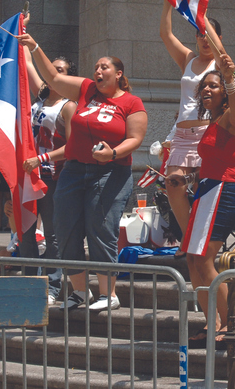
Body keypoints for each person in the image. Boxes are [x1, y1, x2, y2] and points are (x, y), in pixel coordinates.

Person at [17, 32, 147, 311]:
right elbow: (52, 78)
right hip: (74, 171)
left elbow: (135, 139)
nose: (98, 71)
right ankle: (78, 292)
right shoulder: (86, 90)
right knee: (65, 229)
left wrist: (112, 153)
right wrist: (35, 46)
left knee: (100, 230)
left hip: (110, 173)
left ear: (118, 74)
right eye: (96, 67)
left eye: (104, 67)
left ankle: (108, 294)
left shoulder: (131, 103)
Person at [167, 32, 235, 349]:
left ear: (226, 94)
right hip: (206, 190)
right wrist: (185, 181)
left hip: (224, 192)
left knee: (204, 260)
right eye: (203, 86)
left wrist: (230, 80)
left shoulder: (233, 119)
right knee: (191, 260)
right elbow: (209, 164)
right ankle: (211, 322)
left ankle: (229, 327)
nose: (205, 90)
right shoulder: (213, 123)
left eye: (212, 86)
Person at [160, 0, 222, 257]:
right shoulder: (188, 59)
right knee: (173, 184)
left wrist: (200, 11)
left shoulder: (219, 63)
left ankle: (201, 243)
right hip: (183, 136)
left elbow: (221, 51)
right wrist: (167, 3)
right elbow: (166, 35)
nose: (203, 39)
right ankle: (188, 240)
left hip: (207, 131)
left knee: (201, 189)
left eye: (208, 34)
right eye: (199, 35)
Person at [21, 20, 78, 305]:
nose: (54, 73)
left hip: (52, 177)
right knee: (27, 232)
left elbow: (73, 147)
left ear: (69, 77)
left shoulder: (68, 106)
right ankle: (31, 284)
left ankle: (53, 287)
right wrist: (21, 27)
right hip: (28, 176)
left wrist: (41, 158)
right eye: (52, 69)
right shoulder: (40, 98)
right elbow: (30, 63)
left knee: (53, 235)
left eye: (61, 70)